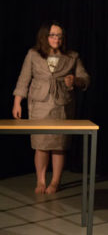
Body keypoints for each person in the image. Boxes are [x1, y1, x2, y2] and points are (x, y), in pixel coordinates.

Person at [12, 20, 90, 194]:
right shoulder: (33, 54)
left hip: (62, 104)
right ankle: (40, 181)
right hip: (39, 104)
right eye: (53, 35)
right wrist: (17, 102)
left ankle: (55, 181)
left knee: (58, 145)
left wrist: (75, 80)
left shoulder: (72, 56)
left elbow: (85, 78)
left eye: (59, 35)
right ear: (45, 36)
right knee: (41, 144)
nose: (57, 38)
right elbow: (24, 78)